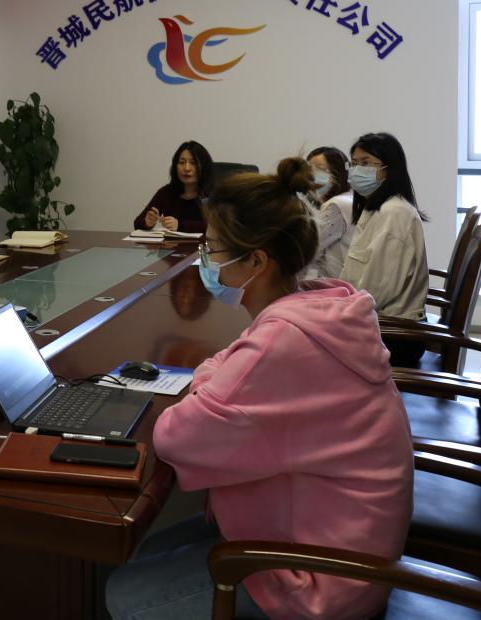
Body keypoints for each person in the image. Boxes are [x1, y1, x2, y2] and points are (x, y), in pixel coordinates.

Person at [106, 159, 413, 620]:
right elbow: (225, 365)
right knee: (144, 550)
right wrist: (216, 379)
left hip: (321, 580)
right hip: (340, 540)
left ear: (256, 260)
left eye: (212, 249)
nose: (205, 260)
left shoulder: (284, 341)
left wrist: (209, 382)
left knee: (122, 594)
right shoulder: (317, 305)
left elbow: (174, 436)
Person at [339, 132, 429, 367]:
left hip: (394, 335)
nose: (357, 170)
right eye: (354, 164)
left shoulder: (394, 212)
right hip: (379, 324)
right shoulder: (377, 207)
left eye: (366, 163)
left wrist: (339, 312)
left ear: (390, 168)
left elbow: (378, 288)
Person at [133, 141, 214, 233]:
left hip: (206, 242)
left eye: (193, 163)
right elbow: (137, 223)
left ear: (204, 166)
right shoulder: (166, 192)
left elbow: (219, 227)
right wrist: (147, 222)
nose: (187, 168)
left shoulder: (214, 193)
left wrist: (180, 225)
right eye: (182, 162)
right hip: (173, 242)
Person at [305, 146, 354, 278]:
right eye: (309, 169)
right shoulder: (349, 198)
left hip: (338, 283)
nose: (311, 175)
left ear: (337, 173)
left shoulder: (336, 205)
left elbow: (309, 248)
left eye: (319, 169)